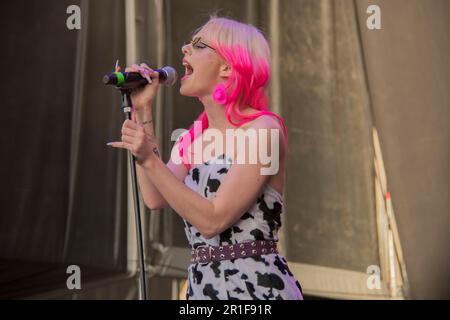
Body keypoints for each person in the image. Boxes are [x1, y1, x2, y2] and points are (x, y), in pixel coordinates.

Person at [108, 16, 303, 300]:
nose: (185, 48)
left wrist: (149, 158)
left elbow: (214, 220)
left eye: (199, 45)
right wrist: (144, 111)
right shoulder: (193, 138)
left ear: (227, 66)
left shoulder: (264, 131)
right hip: (203, 290)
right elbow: (155, 197)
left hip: (257, 290)